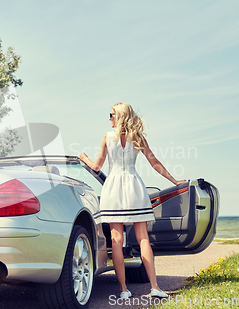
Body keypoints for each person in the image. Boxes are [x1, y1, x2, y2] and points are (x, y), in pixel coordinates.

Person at [78, 102, 186, 300]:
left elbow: (96, 166)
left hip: (113, 188)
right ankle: (154, 287)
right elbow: (155, 163)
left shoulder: (107, 137)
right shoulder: (137, 137)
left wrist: (84, 158)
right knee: (143, 237)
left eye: (111, 114)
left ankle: (123, 290)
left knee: (117, 240)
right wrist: (174, 180)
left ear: (118, 116)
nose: (109, 118)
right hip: (135, 186)